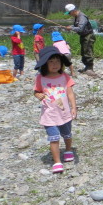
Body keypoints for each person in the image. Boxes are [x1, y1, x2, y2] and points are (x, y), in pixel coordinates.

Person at [33, 46, 77, 174]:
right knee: (54, 137)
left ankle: (68, 149)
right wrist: (38, 95)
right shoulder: (40, 78)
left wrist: (74, 108)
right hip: (49, 114)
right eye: (51, 61)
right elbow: (36, 91)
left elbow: (70, 94)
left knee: (67, 134)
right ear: (45, 63)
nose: (55, 64)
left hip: (64, 113)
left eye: (57, 61)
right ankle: (57, 162)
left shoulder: (65, 76)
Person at [64, 3, 97, 76]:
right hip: (83, 36)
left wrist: (71, 28)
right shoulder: (77, 16)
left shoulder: (82, 17)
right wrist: (72, 26)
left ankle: (90, 69)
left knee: (88, 51)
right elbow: (78, 26)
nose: (69, 14)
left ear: (73, 11)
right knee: (83, 52)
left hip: (88, 36)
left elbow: (80, 28)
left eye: (69, 13)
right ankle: (86, 67)